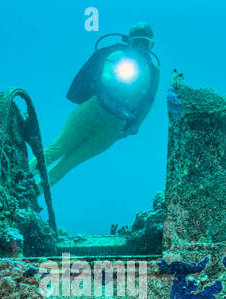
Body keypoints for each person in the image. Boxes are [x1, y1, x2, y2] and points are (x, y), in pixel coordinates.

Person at [33, 23, 160, 185]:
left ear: (151, 45)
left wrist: (135, 126)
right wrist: (119, 79)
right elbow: (105, 77)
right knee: (58, 148)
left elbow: (149, 99)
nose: (141, 47)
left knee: (69, 163)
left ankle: (33, 192)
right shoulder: (118, 55)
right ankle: (20, 177)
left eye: (146, 43)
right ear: (130, 42)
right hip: (94, 109)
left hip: (115, 125)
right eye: (137, 42)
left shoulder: (154, 70)